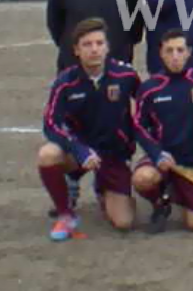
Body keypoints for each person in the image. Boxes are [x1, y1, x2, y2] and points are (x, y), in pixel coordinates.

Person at [38, 18, 141, 241]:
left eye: (99, 43)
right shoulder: (65, 82)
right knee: (48, 155)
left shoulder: (126, 76)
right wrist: (79, 149)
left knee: (124, 223)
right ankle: (66, 215)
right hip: (80, 154)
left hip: (114, 154)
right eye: (87, 44)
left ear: (107, 46)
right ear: (76, 50)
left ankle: (104, 188)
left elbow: (146, 108)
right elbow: (51, 123)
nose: (94, 49)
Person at [131, 30, 193, 233]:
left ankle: (180, 192)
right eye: (169, 50)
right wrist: (156, 153)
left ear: (189, 53)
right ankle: (160, 202)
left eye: (180, 50)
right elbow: (138, 126)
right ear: (161, 53)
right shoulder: (150, 88)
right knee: (142, 179)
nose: (175, 56)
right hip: (163, 159)